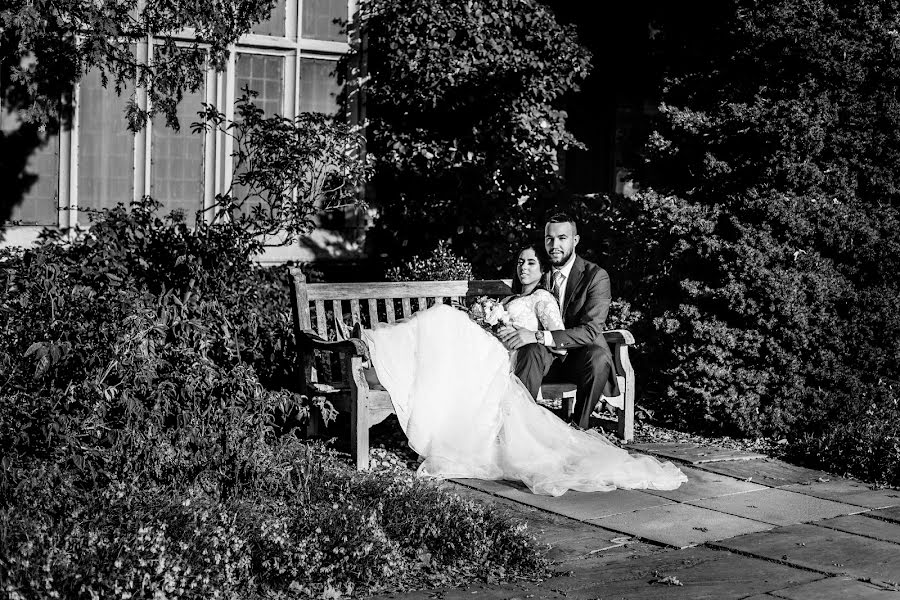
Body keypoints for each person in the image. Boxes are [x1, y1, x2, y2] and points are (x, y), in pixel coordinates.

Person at [360, 242, 687, 497]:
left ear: (542, 269)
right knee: (443, 326)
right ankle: (379, 358)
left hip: (512, 357)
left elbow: (559, 342)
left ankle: (373, 347)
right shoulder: (509, 298)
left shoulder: (542, 298)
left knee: (444, 317)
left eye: (531, 261)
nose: (524, 266)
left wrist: (525, 336)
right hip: (495, 354)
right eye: (520, 261)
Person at [499, 213, 618, 428]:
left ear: (575, 240)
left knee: (599, 357)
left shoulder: (595, 276)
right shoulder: (538, 270)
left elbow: (590, 331)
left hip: (579, 356)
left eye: (562, 238)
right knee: (530, 349)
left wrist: (537, 335)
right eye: (549, 238)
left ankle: (580, 428)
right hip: (543, 358)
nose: (555, 245)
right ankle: (518, 428)